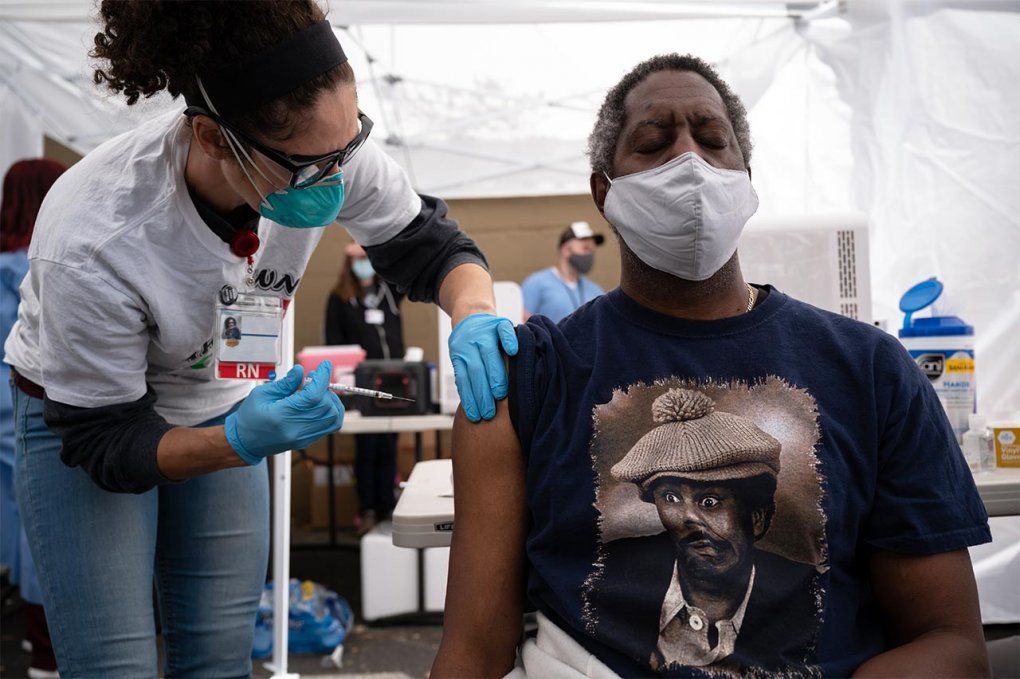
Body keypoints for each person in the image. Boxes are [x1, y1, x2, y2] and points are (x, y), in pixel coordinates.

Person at [433, 54, 991, 678]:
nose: (688, 162)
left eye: (712, 139)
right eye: (652, 143)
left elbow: (950, 643)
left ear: (746, 179)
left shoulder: (872, 371)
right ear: (603, 191)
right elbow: (473, 655)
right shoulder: (530, 379)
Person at [2, 2, 514, 675]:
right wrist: (238, 441)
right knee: (114, 663)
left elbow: (435, 248)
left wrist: (473, 311)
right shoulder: (98, 232)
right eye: (310, 168)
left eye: (348, 149)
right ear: (215, 137)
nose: (337, 181)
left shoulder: (326, 147)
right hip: (88, 421)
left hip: (218, 393)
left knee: (219, 656)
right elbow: (108, 441)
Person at [1, 159, 65, 678]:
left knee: (22, 528)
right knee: (49, 530)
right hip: (42, 407)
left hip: (5, 414)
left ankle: (38, 640)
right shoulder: (43, 261)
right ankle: (50, 649)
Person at [325, 243, 404, 534]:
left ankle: (387, 504)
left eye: (366, 257)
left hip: (393, 379)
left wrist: (372, 242)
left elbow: (401, 264)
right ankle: (368, 507)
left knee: (388, 445)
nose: (363, 263)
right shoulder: (340, 299)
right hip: (361, 384)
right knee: (367, 446)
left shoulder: (390, 294)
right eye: (357, 258)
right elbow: (334, 342)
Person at [521, 221, 605, 323]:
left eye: (592, 250)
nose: (590, 255)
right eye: (585, 248)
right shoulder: (537, 283)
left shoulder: (595, 291)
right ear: (566, 250)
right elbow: (523, 321)